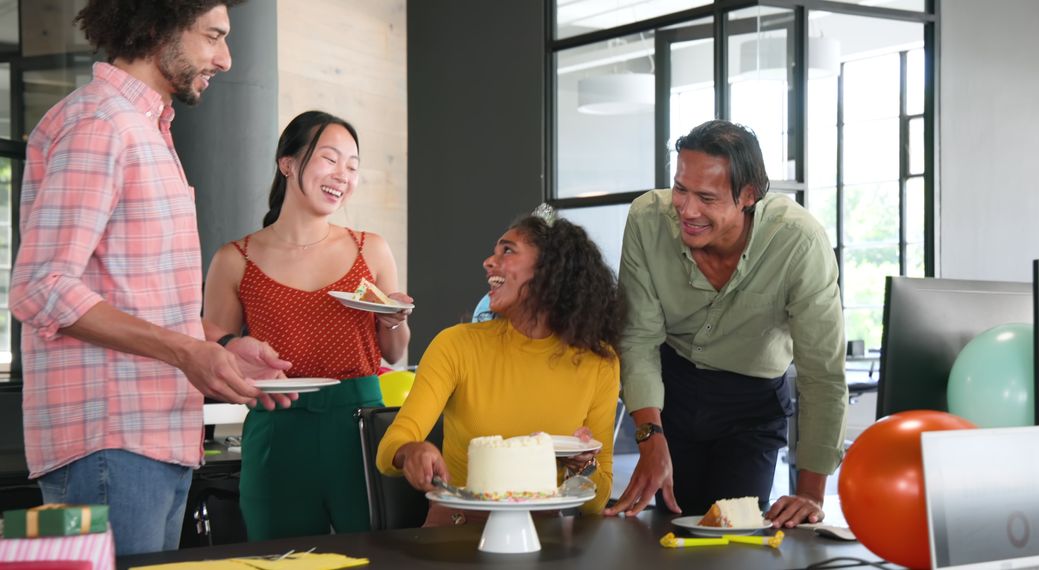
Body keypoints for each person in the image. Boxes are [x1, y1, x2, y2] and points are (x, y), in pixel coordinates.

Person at [8, 0, 296, 556]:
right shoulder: (100, 124)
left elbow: (133, 293)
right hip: (109, 444)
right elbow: (40, 285)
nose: (227, 58)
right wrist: (183, 353)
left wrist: (223, 347)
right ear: (157, 26)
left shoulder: (144, 129)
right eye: (212, 37)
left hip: (151, 441)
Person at [604, 119, 848, 528]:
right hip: (673, 389)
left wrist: (810, 493)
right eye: (680, 189)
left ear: (748, 196)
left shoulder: (799, 242)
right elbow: (638, 337)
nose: (687, 209)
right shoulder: (648, 219)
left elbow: (822, 373)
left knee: (736, 536)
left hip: (751, 404)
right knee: (673, 535)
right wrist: (649, 437)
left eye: (706, 197)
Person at [203, 110, 412, 539]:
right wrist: (231, 352)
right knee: (279, 560)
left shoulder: (370, 249)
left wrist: (392, 320)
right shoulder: (234, 258)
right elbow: (212, 346)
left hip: (359, 422)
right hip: (277, 425)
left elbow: (394, 353)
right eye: (330, 159)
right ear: (288, 163)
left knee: (375, 555)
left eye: (353, 166)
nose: (343, 175)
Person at [376, 213, 622, 526]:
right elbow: (390, 449)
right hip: (455, 534)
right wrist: (410, 450)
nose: (488, 262)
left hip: (546, 540)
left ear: (552, 269)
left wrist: (583, 467)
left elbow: (597, 501)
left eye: (508, 251)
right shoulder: (456, 345)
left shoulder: (599, 361)